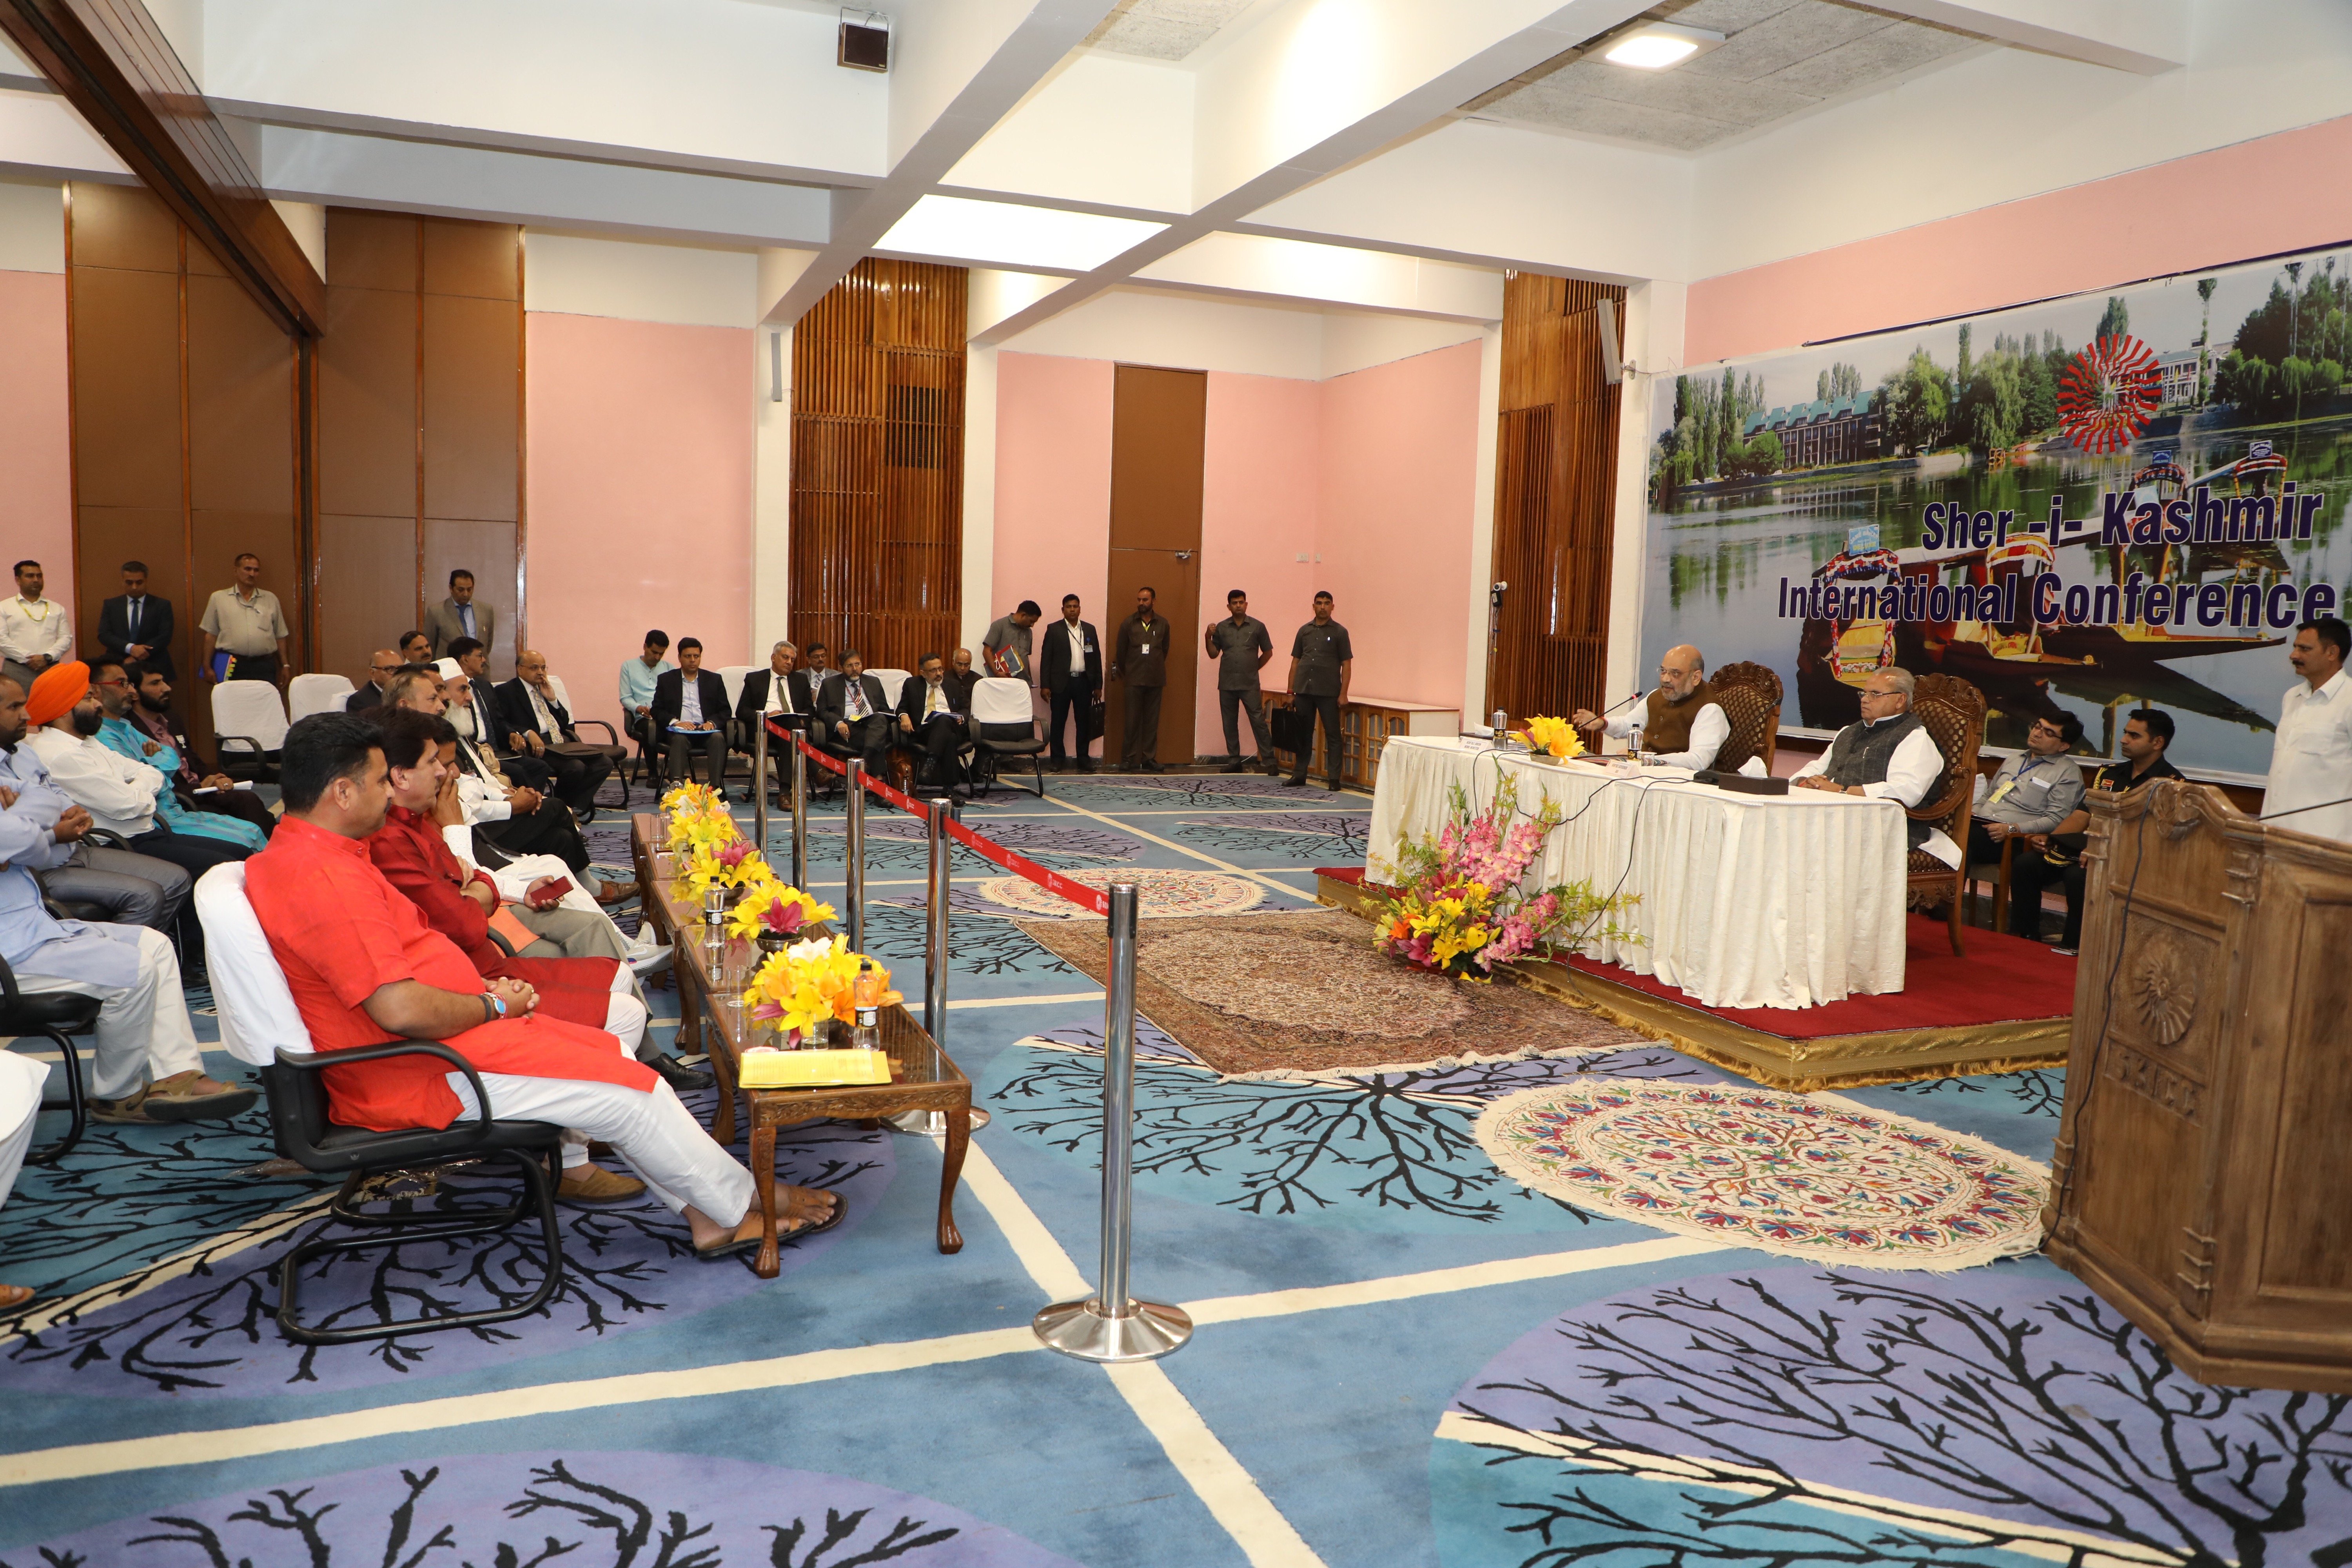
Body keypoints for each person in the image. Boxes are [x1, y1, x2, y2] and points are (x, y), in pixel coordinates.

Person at [244, 712, 823, 1257]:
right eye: (376, 781)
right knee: (629, 1092)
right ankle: (735, 1207)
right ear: (341, 793)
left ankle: (708, 1210)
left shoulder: (305, 854)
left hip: (439, 1044)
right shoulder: (325, 878)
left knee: (616, 1053)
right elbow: (398, 1008)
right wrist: (494, 1003)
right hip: (420, 1068)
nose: (388, 793)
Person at [363, 709, 654, 1204]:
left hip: (481, 961)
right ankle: (570, 1161)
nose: (446, 773)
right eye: (435, 761)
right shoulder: (394, 836)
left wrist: (477, 890)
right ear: (398, 775)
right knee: (623, 1014)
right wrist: (476, 890)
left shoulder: (418, 820)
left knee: (618, 980)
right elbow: (460, 918)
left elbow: (470, 881)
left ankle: (583, 1122)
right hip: (469, 981)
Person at [0, 674, 252, 1126]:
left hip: (37, 926)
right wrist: (40, 825)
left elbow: (56, 828)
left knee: (154, 946)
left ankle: (180, 1074)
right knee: (133, 972)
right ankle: (116, 1095)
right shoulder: (29, 758)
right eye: (15, 708)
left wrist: (30, 821)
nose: (26, 716)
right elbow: (26, 836)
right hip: (11, 949)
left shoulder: (20, 757)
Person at [21, 663, 251, 924]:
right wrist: (145, 782)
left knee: (237, 855)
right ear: (63, 709)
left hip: (147, 831)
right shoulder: (63, 755)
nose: (98, 705)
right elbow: (131, 804)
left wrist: (144, 780)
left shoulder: (87, 742)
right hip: (122, 841)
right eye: (88, 698)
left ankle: (198, 944)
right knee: (222, 865)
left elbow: (145, 771)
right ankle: (195, 952)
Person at [3, 679, 191, 939]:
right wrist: (54, 832)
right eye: (14, 707)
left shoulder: (24, 752)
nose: (27, 715)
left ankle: (143, 950)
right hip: (34, 870)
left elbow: (54, 796)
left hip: (74, 848)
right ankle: (121, 960)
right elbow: (15, 837)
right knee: (147, 896)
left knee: (177, 878)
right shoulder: (53, 752)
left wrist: (68, 812)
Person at [2011, 708, 2183, 952]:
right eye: (2125, 733)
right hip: (2087, 851)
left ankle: (2076, 945)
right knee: (2027, 863)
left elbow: (2157, 837)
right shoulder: (2110, 774)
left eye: (2134, 736)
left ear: (2157, 743)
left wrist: (2102, 849)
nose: (2124, 740)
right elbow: (2082, 815)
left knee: (2078, 875)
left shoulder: (2172, 785)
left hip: (2130, 859)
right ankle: (2025, 936)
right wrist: (2051, 838)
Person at [412, 664, 601, 880]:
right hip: (474, 830)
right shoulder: (422, 747)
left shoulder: (448, 727)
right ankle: (583, 866)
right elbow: (463, 802)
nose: (443, 702)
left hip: (481, 816)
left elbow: (472, 778)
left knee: (560, 838)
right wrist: (512, 806)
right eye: (435, 696)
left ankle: (580, 884)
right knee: (555, 807)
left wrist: (504, 794)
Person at [90, 660, 268, 853]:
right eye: (122, 684)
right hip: (155, 821)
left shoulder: (126, 727)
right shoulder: (101, 735)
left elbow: (171, 757)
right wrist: (154, 765)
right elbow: (141, 785)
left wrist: (149, 765)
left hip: (173, 811)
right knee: (243, 844)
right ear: (96, 690)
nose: (130, 691)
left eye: (130, 683)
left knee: (253, 831)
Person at [1791, 667, 1960, 866]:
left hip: (1885, 830)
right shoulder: (1848, 732)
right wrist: (1806, 782)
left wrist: (1843, 791)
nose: (1865, 699)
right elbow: (1817, 767)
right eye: (1864, 693)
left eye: (1876, 695)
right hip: (1834, 820)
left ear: (1900, 700)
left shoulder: (1915, 738)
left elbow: (1906, 791)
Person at [2263, 616, 2352, 844]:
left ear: (2332, 653)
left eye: (2304, 649)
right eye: (2295, 648)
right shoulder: (2292, 697)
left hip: (2326, 844)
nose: (2294, 656)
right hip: (2273, 835)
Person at [1966, 712, 2087, 873]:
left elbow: (2056, 820)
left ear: (2064, 746)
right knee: (1951, 833)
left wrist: (2012, 828)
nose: (2037, 733)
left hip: (2016, 840)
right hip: (1980, 826)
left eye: (2048, 733)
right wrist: (1973, 812)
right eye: (2038, 726)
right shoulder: (2014, 759)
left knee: (1961, 842)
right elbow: (1988, 795)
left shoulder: (2068, 772)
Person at [1573, 645, 1728, 770]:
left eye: (1675, 673)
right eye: (1663, 671)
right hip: (1646, 774)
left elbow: (1697, 761)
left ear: (1695, 677)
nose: (1666, 679)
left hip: (1683, 786)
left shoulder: (1710, 709)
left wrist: (1645, 759)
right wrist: (1602, 724)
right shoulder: (1656, 696)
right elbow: (1629, 725)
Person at [495, 649, 609, 817]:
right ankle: (562, 808)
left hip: (560, 741)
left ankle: (568, 805)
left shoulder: (544, 688)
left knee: (604, 762)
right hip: (538, 744)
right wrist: (527, 732)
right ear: (520, 669)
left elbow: (564, 723)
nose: (540, 672)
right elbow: (501, 722)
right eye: (535, 668)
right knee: (576, 767)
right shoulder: (506, 691)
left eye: (543, 668)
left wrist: (553, 700)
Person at [447, 637, 550, 791]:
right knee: (519, 772)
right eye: (480, 656)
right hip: (477, 752)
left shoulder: (484, 686)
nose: (484, 660)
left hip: (497, 749)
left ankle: (535, 803)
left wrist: (512, 734)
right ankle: (530, 803)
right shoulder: (452, 689)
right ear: (465, 659)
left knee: (540, 767)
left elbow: (499, 720)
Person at [1284, 591, 1352, 790]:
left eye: (1327, 603)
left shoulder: (1340, 632)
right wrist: (1290, 692)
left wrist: (1344, 693)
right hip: (1304, 690)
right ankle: (1299, 775)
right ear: (1313, 606)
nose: (1323, 607)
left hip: (1330, 693)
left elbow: (1346, 665)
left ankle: (1333, 779)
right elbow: (1296, 662)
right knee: (1303, 735)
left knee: (1333, 735)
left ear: (1333, 607)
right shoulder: (1304, 631)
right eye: (1319, 603)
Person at [1204, 589, 1275, 774]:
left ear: (1246, 604)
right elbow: (1213, 654)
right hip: (1227, 683)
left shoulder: (1258, 627)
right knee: (1229, 723)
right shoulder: (1221, 627)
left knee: (1258, 721)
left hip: (1250, 683)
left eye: (1241, 602)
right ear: (1229, 606)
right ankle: (1234, 761)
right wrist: (1207, 637)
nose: (1238, 605)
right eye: (1235, 603)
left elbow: (1268, 652)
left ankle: (1269, 761)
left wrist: (1253, 669)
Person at [652, 638, 731, 798]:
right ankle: (677, 789)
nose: (693, 660)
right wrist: (676, 722)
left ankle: (714, 790)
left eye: (696, 656)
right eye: (688, 656)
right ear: (680, 658)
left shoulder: (714, 680)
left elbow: (725, 710)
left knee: (718, 738)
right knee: (679, 740)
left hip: (706, 731)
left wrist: (712, 722)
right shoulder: (666, 680)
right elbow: (657, 709)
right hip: (680, 732)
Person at [198, 553, 290, 686]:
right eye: (248, 569)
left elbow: (280, 635)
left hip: (264, 666)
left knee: (263, 705)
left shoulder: (270, 599)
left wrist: (285, 665)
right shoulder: (219, 598)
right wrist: (207, 666)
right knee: (233, 705)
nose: (252, 574)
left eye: (256, 570)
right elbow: (211, 636)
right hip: (232, 665)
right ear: (236, 571)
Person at [1038, 595, 1101, 772]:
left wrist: (1098, 685)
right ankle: (1057, 760)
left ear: (1080, 609)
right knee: (1058, 722)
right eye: (1068, 607)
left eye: (1075, 606)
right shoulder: (1054, 629)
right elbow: (1046, 659)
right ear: (1063, 610)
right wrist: (1045, 685)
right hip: (1061, 684)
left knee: (1084, 723)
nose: (1072, 610)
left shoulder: (1090, 630)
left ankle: (1083, 759)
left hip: (1084, 682)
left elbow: (1096, 658)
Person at [1111, 586, 1170, 773]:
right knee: (1132, 722)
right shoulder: (1128, 623)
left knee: (1152, 722)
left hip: (1155, 680)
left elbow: (1165, 650)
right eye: (1139, 600)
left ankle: (1149, 758)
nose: (1141, 603)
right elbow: (1121, 652)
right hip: (1134, 680)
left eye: (1145, 600)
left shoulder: (1163, 624)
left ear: (1154, 601)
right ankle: (1127, 759)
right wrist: (1128, 671)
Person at [896, 652, 970, 795]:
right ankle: (949, 790)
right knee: (949, 739)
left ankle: (930, 763)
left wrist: (962, 716)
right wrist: (904, 716)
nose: (939, 673)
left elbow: (965, 708)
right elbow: (902, 708)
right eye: (933, 670)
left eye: (940, 669)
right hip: (926, 730)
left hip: (953, 726)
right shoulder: (912, 685)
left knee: (944, 720)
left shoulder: (953, 685)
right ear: (923, 673)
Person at [97, 560, 174, 683]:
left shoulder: (162, 605)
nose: (134, 587)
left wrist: (137, 655)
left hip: (154, 664)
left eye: (139, 582)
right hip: (120, 665)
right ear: (122, 581)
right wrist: (130, 648)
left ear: (146, 581)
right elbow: (104, 635)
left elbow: (165, 636)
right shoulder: (111, 605)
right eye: (129, 582)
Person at [1, 560, 71, 695]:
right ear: (18, 580)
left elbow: (66, 638)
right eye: (30, 576)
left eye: (39, 576)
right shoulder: (4, 607)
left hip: (50, 668)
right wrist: (30, 659)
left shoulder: (57, 608)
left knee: (54, 709)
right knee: (16, 709)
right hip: (17, 669)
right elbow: (2, 640)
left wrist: (47, 658)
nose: (36, 580)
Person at [818, 651, 893, 775]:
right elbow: (821, 711)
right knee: (876, 739)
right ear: (841, 668)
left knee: (879, 718)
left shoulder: (873, 682)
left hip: (872, 724)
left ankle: (864, 760)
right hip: (848, 728)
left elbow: (884, 709)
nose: (855, 669)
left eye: (858, 664)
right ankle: (878, 781)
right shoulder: (829, 684)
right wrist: (838, 723)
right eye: (849, 666)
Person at [618, 630, 674, 780]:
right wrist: (638, 708)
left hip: (663, 715)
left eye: (661, 654)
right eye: (654, 652)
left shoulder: (670, 668)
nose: (657, 658)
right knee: (651, 727)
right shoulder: (629, 667)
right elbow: (625, 697)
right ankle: (653, 772)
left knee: (675, 727)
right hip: (642, 717)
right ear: (645, 647)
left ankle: (674, 771)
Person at [422, 569, 496, 662]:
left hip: (480, 670)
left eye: (470, 589)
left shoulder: (486, 610)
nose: (466, 594)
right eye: (461, 590)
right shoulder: (436, 612)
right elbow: (430, 646)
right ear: (451, 588)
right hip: (450, 670)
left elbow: (488, 644)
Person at [982, 601, 1040, 683]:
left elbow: (1025, 656)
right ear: (1023, 615)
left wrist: (1030, 680)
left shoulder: (1029, 632)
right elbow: (987, 651)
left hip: (1022, 682)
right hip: (1003, 680)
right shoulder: (1000, 625)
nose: (1032, 625)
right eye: (1031, 621)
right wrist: (997, 673)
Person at [346, 648, 403, 712]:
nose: (397, 673)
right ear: (372, 673)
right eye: (389, 669)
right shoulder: (359, 701)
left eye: (400, 669)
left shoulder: (408, 692)